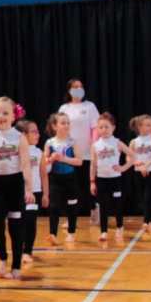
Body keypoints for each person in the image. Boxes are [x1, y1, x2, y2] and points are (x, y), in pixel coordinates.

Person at [0, 97, 34, 280]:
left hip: (15, 185)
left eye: (5, 113)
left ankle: (16, 265)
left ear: (14, 115)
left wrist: (28, 189)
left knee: (15, 227)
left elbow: (26, 164)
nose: (1, 116)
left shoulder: (19, 138)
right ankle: (2, 259)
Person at [58, 79, 100, 224]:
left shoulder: (89, 106)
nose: (78, 89)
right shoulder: (64, 108)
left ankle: (94, 210)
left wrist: (94, 144)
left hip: (87, 153)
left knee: (88, 184)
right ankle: (71, 217)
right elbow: (60, 128)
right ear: (69, 90)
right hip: (70, 154)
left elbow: (95, 127)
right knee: (70, 187)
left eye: (80, 87)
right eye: (75, 87)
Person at [89, 113, 135, 242]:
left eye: (106, 127)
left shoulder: (117, 143)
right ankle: (104, 232)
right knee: (103, 206)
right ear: (97, 129)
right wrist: (92, 181)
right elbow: (93, 164)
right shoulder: (95, 145)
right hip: (101, 179)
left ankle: (120, 227)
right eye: (101, 127)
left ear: (113, 128)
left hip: (115, 179)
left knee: (117, 205)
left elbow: (133, 155)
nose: (104, 129)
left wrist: (123, 168)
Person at [44, 112, 83, 244]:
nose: (66, 125)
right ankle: (53, 234)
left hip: (70, 178)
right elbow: (44, 162)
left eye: (68, 123)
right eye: (63, 123)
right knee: (54, 206)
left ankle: (71, 233)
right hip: (55, 179)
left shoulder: (72, 142)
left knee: (72, 205)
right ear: (54, 126)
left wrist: (63, 158)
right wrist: (50, 159)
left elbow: (79, 161)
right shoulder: (49, 143)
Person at [16, 119, 47, 263]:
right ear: (23, 134)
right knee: (18, 222)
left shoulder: (39, 152)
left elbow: (43, 174)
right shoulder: (15, 151)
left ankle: (27, 251)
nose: (38, 134)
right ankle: (18, 249)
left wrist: (45, 194)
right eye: (34, 132)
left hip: (34, 192)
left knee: (30, 221)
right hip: (18, 192)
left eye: (38, 131)